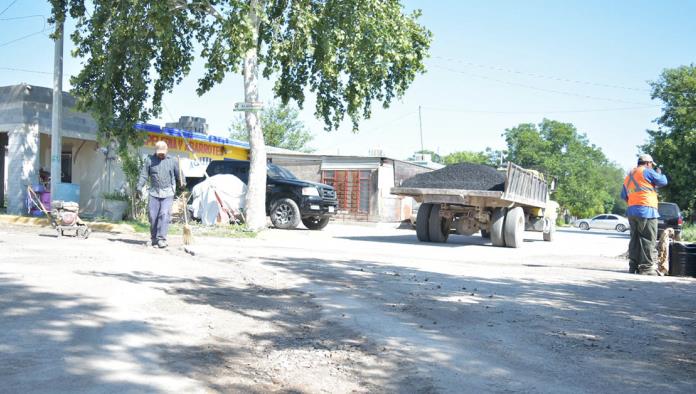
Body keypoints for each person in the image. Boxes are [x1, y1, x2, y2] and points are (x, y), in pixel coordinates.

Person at [621, 153, 668, 275]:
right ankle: (646, 268)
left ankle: (633, 266)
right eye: (651, 165)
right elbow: (663, 181)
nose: (651, 166)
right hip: (647, 210)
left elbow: (623, 196)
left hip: (632, 212)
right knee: (648, 239)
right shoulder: (647, 171)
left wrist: (635, 203)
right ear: (648, 163)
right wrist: (659, 172)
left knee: (635, 239)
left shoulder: (628, 176)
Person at [137, 141, 182, 248]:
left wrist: (182, 182)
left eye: (163, 152)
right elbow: (144, 175)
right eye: (159, 152)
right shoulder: (149, 160)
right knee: (153, 217)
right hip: (154, 192)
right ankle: (154, 238)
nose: (161, 154)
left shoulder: (173, 161)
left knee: (164, 214)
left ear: (167, 151)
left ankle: (162, 239)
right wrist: (139, 186)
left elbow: (179, 174)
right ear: (155, 151)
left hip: (168, 192)